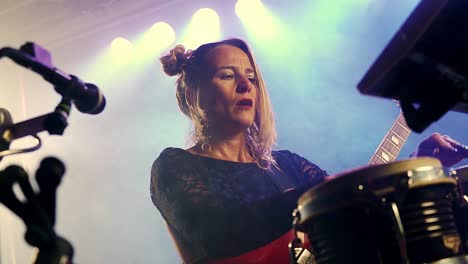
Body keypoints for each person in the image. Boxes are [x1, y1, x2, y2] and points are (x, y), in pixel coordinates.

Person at [150, 38, 468, 264]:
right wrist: (325, 193)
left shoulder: (286, 163)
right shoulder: (173, 165)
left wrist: (418, 170)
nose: (246, 86)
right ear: (193, 92)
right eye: (228, 75)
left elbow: (354, 210)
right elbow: (219, 233)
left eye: (251, 78)